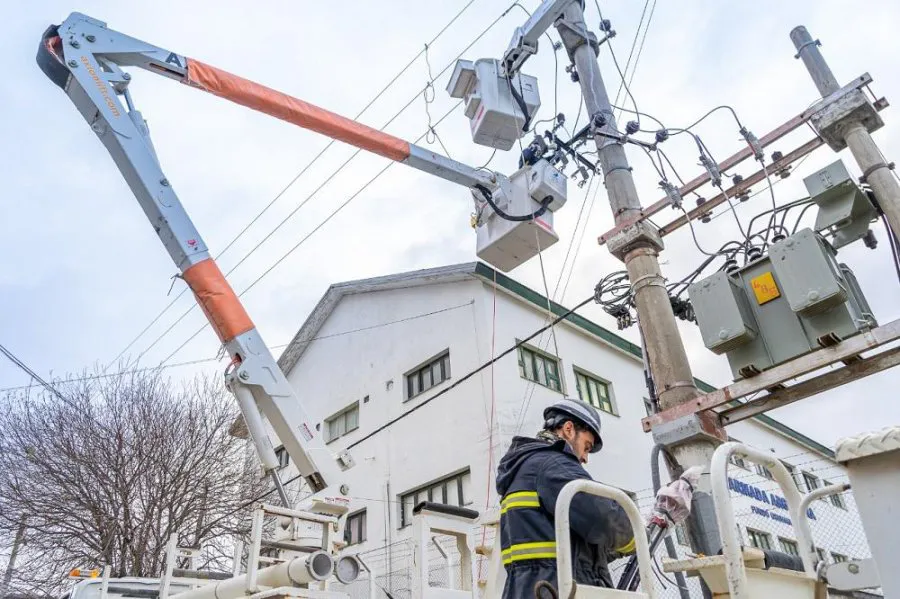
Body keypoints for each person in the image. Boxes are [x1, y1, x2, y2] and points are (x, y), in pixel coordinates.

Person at [495, 398, 635, 597]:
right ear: (569, 429)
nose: (585, 458)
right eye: (586, 446)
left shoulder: (524, 469)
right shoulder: (553, 465)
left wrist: (617, 548)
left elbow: (575, 550)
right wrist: (638, 534)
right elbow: (604, 517)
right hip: (558, 588)